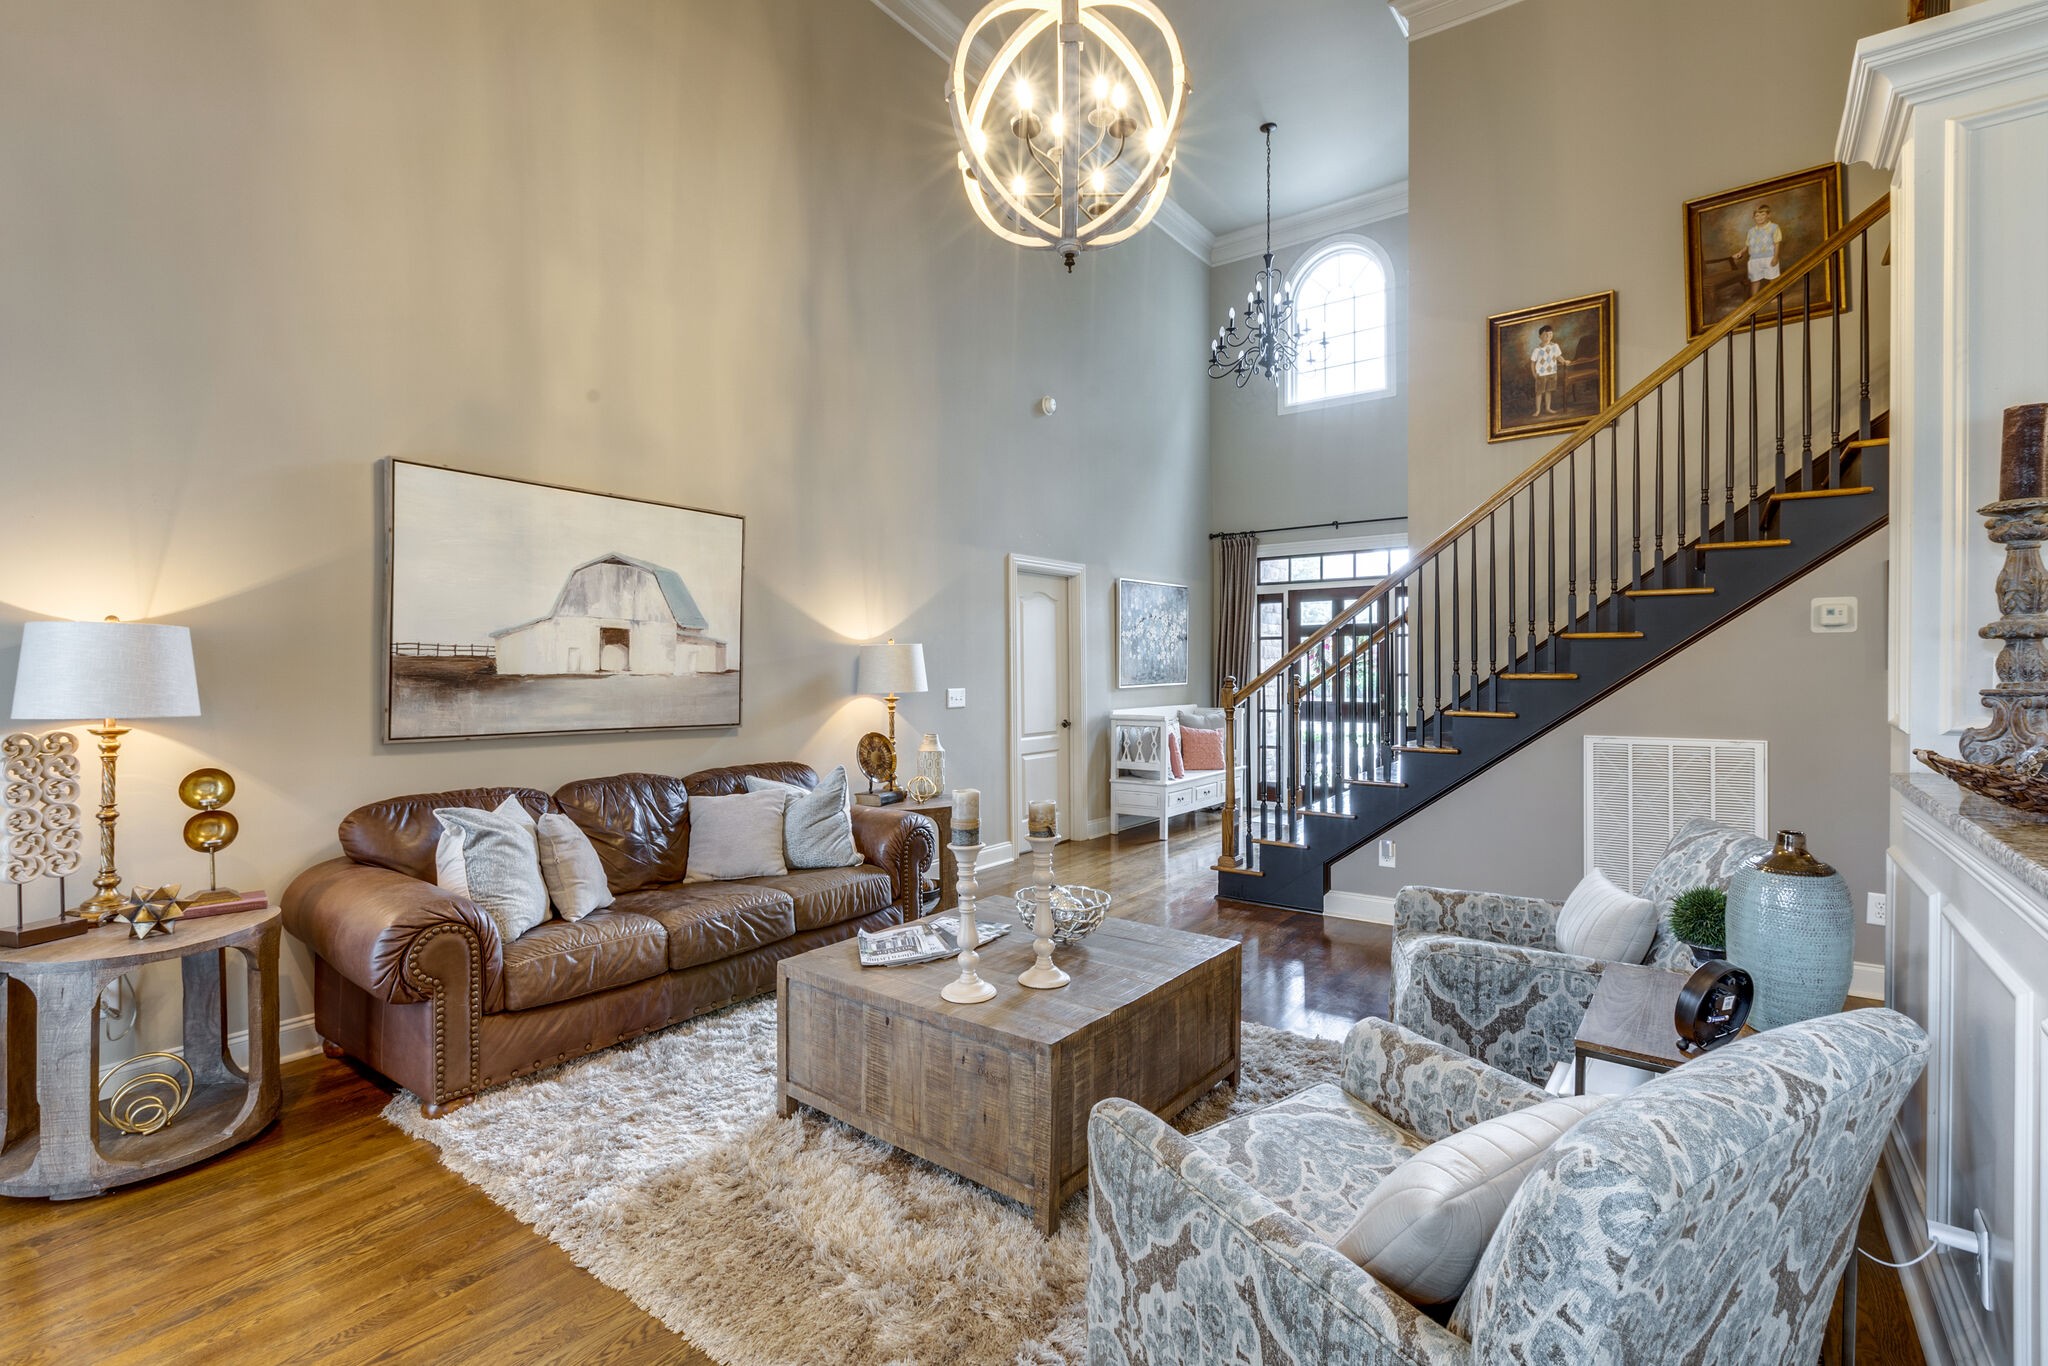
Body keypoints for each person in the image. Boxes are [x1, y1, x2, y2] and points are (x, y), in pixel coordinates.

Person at [1739, 202, 1783, 298]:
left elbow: (1777, 243)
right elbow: (1747, 245)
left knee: (1773, 278)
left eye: (1763, 214)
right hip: (1754, 259)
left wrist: (1775, 257)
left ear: (1768, 215)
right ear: (1753, 217)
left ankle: (1776, 297)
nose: (1759, 218)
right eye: (1757, 215)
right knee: (1754, 280)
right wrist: (1741, 252)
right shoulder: (1751, 231)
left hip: (1769, 257)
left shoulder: (1774, 227)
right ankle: (1754, 299)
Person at [1529, 323, 1571, 417]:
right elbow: (1532, 363)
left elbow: (1558, 356)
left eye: (1550, 334)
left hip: (1552, 372)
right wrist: (1534, 374)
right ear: (1540, 336)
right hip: (1541, 374)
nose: (1548, 336)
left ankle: (1548, 408)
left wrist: (1564, 361)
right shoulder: (1537, 350)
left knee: (1549, 391)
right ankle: (1538, 410)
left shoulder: (1555, 346)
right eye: (1545, 334)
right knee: (1539, 392)